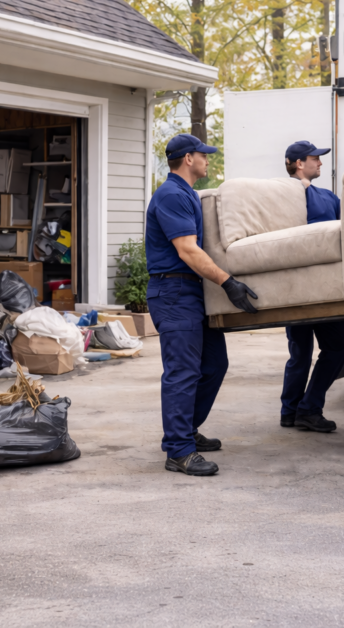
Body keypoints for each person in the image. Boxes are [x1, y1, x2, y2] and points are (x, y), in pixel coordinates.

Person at [146, 134, 260, 476]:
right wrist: (227, 282)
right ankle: (179, 451)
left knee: (214, 364)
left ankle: (186, 430)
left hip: (191, 292)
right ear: (187, 158)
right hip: (173, 293)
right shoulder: (170, 195)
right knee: (182, 372)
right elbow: (188, 250)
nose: (208, 160)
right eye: (203, 155)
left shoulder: (187, 195)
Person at [278, 141, 344, 433]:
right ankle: (302, 410)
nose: (320, 163)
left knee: (327, 350)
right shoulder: (281, 195)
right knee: (308, 352)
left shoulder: (328, 197)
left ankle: (294, 410)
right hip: (301, 287)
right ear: (298, 163)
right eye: (314, 158)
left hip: (325, 287)